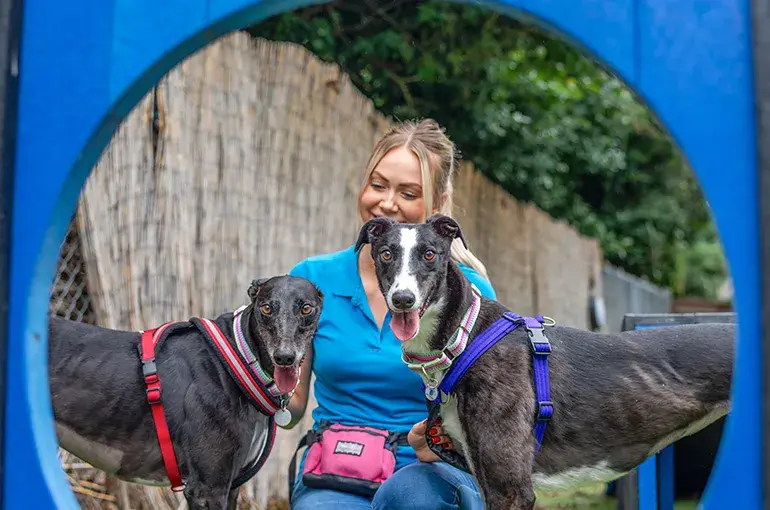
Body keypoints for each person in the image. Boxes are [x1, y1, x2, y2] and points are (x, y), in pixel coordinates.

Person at [284, 119, 496, 510]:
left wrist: (445, 438)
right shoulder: (312, 280)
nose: (387, 203)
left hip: (432, 472)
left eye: (408, 192)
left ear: (437, 204)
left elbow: (486, 409)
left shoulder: (470, 293)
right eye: (378, 185)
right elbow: (291, 403)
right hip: (337, 470)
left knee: (414, 498)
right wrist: (255, 387)